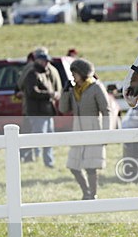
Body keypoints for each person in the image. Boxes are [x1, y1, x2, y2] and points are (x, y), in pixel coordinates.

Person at [59, 58, 112, 200]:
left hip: (94, 131)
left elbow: (107, 111)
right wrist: (64, 92)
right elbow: (63, 109)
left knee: (91, 167)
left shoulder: (96, 87)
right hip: (77, 132)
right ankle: (86, 191)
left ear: (82, 74)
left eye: (74, 73)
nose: (73, 77)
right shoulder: (73, 89)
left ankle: (92, 195)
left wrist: (107, 134)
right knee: (73, 166)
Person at [17, 46, 62, 162]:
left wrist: (53, 94)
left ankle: (42, 160)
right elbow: (31, 91)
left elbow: (19, 86)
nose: (46, 63)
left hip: (44, 109)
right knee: (36, 136)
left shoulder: (46, 71)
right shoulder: (32, 72)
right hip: (35, 110)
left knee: (44, 135)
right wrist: (51, 94)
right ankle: (33, 158)